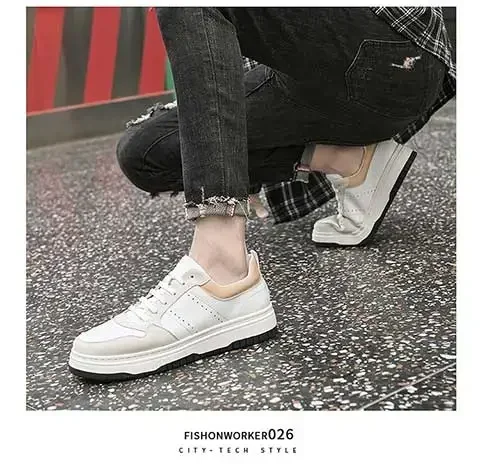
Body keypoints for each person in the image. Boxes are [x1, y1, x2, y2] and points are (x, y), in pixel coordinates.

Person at [69, 7, 455, 381]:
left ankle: (222, 272)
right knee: (145, 151)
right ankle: (348, 160)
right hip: (301, 73)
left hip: (392, 55)